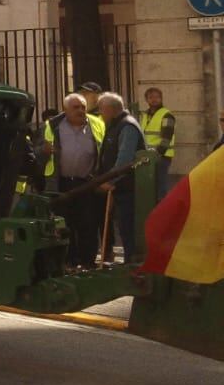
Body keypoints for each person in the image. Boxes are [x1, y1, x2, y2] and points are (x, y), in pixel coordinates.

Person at [43, 93, 102, 267]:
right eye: (76, 107)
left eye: (83, 107)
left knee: (88, 225)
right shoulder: (52, 125)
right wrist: (43, 151)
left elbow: (104, 150)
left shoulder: (97, 124)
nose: (81, 110)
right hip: (61, 184)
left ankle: (88, 262)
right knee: (64, 225)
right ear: (65, 109)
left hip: (87, 183)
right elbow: (37, 151)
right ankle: (67, 261)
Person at [96, 92, 147, 265]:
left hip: (128, 188)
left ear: (110, 109)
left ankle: (131, 265)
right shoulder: (116, 125)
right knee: (124, 229)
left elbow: (125, 159)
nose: (100, 114)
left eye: (101, 110)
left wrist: (110, 181)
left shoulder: (127, 126)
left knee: (129, 229)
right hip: (121, 188)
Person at [139, 87, 177, 200]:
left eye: (157, 97)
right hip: (147, 155)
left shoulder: (166, 115)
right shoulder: (145, 115)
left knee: (160, 187)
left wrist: (157, 153)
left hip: (161, 156)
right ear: (146, 100)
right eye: (151, 97)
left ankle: (163, 211)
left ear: (161, 99)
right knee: (150, 187)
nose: (154, 100)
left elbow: (166, 138)